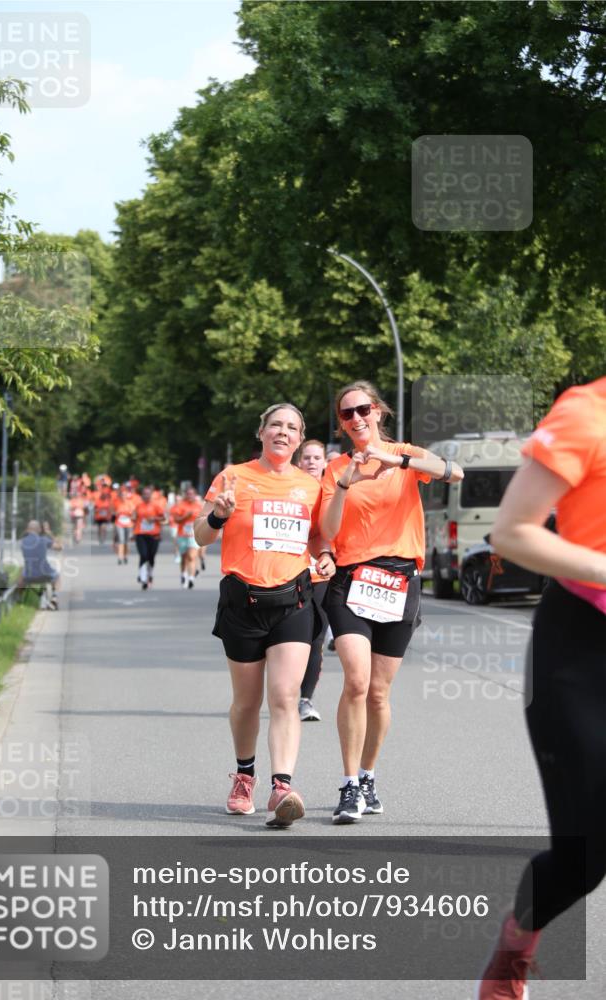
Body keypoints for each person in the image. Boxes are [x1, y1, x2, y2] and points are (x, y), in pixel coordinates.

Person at [476, 377, 606, 999]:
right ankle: (516, 945)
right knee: (585, 857)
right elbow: (511, 532)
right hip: (583, 651)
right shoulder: (587, 413)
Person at [320, 380, 464, 824]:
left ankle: (367, 776)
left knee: (379, 694)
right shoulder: (335, 468)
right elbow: (327, 529)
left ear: (378, 411)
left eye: (362, 409)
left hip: (400, 580)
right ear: (342, 424)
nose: (357, 419)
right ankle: (347, 787)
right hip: (352, 580)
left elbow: (454, 472)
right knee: (357, 682)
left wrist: (394, 458)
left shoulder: (405, 455)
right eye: (347, 414)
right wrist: (345, 483)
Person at [194, 403, 335, 828]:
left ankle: (282, 786)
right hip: (243, 602)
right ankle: (244, 775)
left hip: (292, 600)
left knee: (285, 697)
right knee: (247, 702)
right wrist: (219, 513)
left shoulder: (311, 486)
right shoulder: (233, 477)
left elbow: (317, 536)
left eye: (292, 428)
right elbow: (200, 535)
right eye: (276, 424)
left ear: (299, 438)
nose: (283, 432)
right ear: (261, 432)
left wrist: (325, 554)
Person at [296, 439, 330, 722]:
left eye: (316, 457)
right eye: (306, 457)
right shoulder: (290, 490)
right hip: (290, 574)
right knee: (289, 639)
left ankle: (305, 699)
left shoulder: (332, 492)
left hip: (321, 574)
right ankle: (283, 692)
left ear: (324, 462)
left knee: (316, 637)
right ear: (299, 462)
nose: (311, 462)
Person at [20, 520, 61, 608]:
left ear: (28, 529)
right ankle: (54, 597)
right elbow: (59, 547)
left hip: (28, 577)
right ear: (39, 530)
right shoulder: (44, 540)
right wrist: (49, 533)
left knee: (22, 573)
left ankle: (18, 599)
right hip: (45, 575)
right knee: (57, 576)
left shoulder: (23, 542)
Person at [132, 485, 166, 589]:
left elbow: (163, 518)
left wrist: (154, 518)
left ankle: (150, 574)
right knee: (143, 555)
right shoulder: (138, 506)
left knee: (151, 556)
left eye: (148, 494)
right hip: (140, 534)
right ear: (141, 495)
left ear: (151, 495)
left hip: (154, 535)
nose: (146, 496)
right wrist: (132, 533)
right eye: (144, 494)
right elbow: (134, 518)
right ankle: (143, 578)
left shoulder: (156, 506)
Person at [169, 485, 203, 588]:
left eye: (192, 494)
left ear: (195, 495)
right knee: (184, 557)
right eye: (188, 494)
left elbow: (204, 519)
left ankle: (191, 578)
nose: (190, 496)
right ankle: (183, 574)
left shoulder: (199, 506)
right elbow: (176, 520)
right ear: (185, 495)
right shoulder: (180, 505)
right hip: (182, 535)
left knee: (191, 556)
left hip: (194, 535)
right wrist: (186, 516)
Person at [112, 484, 137, 565]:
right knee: (121, 540)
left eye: (124, 495)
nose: (123, 496)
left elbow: (134, 514)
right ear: (120, 495)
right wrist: (116, 513)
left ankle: (125, 556)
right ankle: (120, 557)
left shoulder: (130, 503)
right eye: (122, 495)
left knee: (126, 542)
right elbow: (112, 512)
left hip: (128, 524)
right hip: (119, 523)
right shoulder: (116, 502)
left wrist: (129, 514)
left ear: (126, 495)